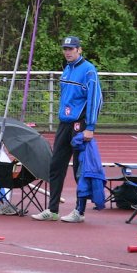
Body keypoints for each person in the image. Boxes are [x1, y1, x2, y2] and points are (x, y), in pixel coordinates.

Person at [31, 36, 102, 222]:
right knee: (56, 165)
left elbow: (95, 99)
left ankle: (79, 211)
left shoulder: (89, 70)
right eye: (65, 49)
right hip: (64, 123)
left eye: (71, 49)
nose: (68, 52)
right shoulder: (67, 69)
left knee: (79, 169)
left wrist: (90, 127)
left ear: (79, 49)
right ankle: (52, 209)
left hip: (80, 124)